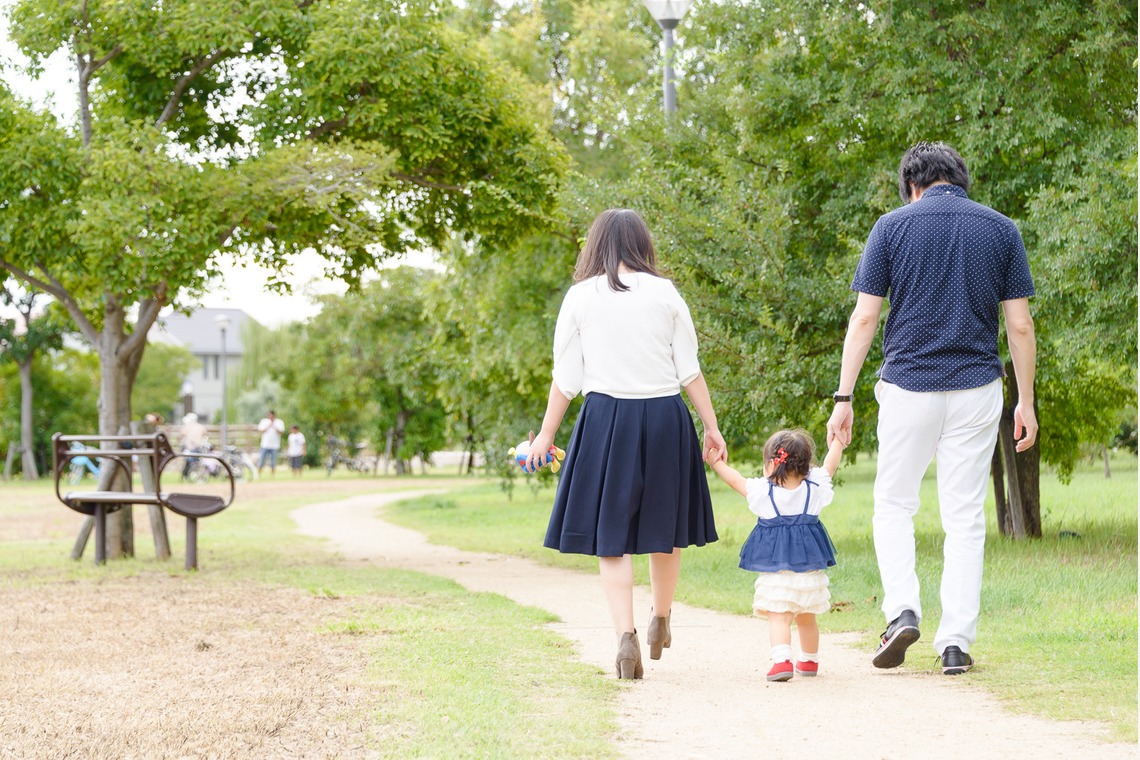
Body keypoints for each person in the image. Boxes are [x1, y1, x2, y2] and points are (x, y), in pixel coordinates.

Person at [826, 142, 1038, 676]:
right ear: (959, 180)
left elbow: (865, 319)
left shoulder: (891, 227)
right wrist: (1026, 402)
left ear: (912, 187)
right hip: (976, 388)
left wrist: (844, 396)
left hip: (908, 387)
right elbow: (1019, 325)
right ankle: (956, 644)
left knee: (894, 505)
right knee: (964, 516)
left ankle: (902, 610)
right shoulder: (1000, 229)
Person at [527, 208, 726, 680]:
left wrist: (547, 433)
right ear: (643, 244)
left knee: (610, 539)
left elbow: (566, 378)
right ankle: (661, 618)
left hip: (604, 420)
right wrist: (711, 426)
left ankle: (625, 638)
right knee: (665, 527)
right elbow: (689, 369)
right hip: (664, 417)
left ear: (595, 244)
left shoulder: (580, 297)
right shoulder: (664, 292)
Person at [708, 429, 844, 682]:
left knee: (779, 617)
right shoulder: (814, 487)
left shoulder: (763, 492)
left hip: (777, 573)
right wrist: (838, 441)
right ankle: (809, 660)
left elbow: (736, 480)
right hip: (809, 571)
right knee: (806, 618)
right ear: (805, 464)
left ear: (772, 463)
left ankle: (782, 661)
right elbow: (831, 465)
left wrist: (717, 463)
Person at [257, 410, 286, 476]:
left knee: (273, 461)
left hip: (275, 445)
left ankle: (272, 474)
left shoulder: (279, 422)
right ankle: (259, 473)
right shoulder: (264, 421)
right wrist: (268, 426)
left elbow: (281, 432)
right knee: (261, 460)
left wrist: (274, 426)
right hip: (265, 444)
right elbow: (261, 430)